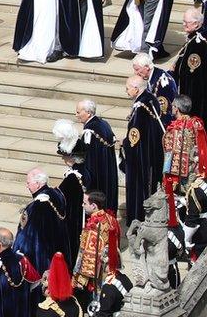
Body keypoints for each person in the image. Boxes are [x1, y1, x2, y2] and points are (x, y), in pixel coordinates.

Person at [123, 74, 168, 225]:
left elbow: (134, 137)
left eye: (128, 88)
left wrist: (124, 147)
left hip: (140, 158)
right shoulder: (150, 98)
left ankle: (137, 218)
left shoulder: (141, 107)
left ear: (136, 89)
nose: (126, 91)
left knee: (139, 189)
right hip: (152, 153)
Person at [14, 168, 71, 274]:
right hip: (57, 250)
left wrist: (16, 254)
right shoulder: (56, 194)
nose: (27, 186)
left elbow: (26, 236)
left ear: (38, 183)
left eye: (28, 183)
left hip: (42, 259)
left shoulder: (35, 207)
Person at [162, 94, 207, 226]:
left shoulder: (174, 129)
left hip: (180, 177)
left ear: (176, 109)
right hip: (197, 172)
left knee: (182, 207)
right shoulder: (196, 123)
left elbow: (169, 156)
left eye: (173, 106)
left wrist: (168, 177)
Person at [53, 120, 92, 267]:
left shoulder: (72, 177)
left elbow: (60, 197)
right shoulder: (84, 171)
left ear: (71, 158)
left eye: (65, 157)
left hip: (73, 218)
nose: (63, 159)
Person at [73, 190, 122, 303]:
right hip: (110, 269)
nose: (82, 205)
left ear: (94, 205)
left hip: (97, 276)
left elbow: (88, 257)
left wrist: (79, 280)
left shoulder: (93, 225)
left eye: (85, 203)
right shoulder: (112, 219)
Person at [76, 99, 119, 214]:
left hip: (97, 177)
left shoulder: (89, 131)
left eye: (78, 112)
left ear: (88, 113)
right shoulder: (103, 123)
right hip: (107, 174)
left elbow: (88, 158)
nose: (76, 115)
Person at [173, 8, 207, 120]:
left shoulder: (198, 44)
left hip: (193, 97)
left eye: (186, 22)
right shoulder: (193, 38)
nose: (183, 24)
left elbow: (194, 77)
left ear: (196, 24)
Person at [134, 51, 179, 121]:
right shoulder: (154, 76)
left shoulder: (161, 83)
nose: (135, 73)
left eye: (137, 69)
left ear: (147, 67)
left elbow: (164, 112)